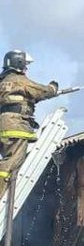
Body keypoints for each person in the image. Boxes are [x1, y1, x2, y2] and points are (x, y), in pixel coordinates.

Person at [0, 51, 59, 185]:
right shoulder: (19, 80)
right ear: (19, 63)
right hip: (15, 124)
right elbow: (41, 91)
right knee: (12, 163)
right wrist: (53, 87)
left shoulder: (3, 81)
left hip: (3, 123)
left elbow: (13, 99)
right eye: (26, 65)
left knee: (7, 159)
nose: (27, 68)